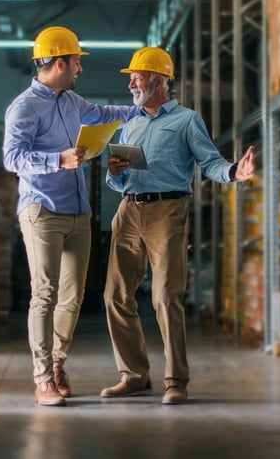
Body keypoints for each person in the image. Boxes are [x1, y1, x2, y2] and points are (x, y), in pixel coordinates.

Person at [100, 47, 256, 405]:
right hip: (128, 211)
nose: (131, 83)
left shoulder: (187, 120)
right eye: (131, 77)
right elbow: (118, 179)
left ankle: (176, 380)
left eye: (136, 76)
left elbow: (211, 163)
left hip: (167, 212)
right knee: (114, 295)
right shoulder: (130, 122)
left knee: (165, 296)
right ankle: (134, 375)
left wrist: (235, 172)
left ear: (159, 80)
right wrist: (114, 175)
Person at [3, 26, 140, 407]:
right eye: (77, 61)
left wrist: (142, 109)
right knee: (44, 294)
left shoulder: (72, 101)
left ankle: (58, 365)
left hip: (78, 211)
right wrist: (58, 159)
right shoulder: (24, 107)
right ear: (59, 62)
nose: (80, 68)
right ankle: (43, 377)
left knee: (73, 296)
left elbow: (103, 113)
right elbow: (12, 159)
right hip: (42, 210)